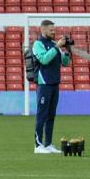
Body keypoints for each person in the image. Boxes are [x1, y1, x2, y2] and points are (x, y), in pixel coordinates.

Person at [32, 20, 70, 154]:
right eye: (51, 30)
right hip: (44, 84)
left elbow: (65, 63)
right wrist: (56, 47)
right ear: (43, 30)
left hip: (55, 83)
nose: (54, 32)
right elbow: (44, 60)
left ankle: (47, 144)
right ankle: (38, 145)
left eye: (54, 30)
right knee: (41, 115)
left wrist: (66, 51)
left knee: (51, 115)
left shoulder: (55, 44)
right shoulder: (38, 44)